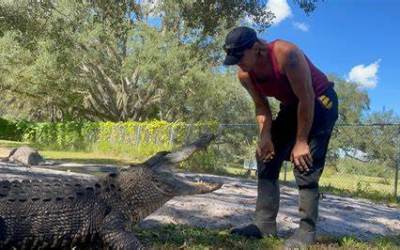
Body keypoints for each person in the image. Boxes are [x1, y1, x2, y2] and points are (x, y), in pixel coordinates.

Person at [223, 26, 338, 248]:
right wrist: (265, 136)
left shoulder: (287, 54)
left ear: (256, 48)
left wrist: (301, 141)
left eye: (240, 57)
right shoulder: (245, 75)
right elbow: (261, 107)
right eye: (233, 59)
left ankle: (306, 230)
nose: (238, 63)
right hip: (293, 105)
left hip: (320, 102)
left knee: (305, 162)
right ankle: (264, 223)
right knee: (265, 155)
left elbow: (307, 97)